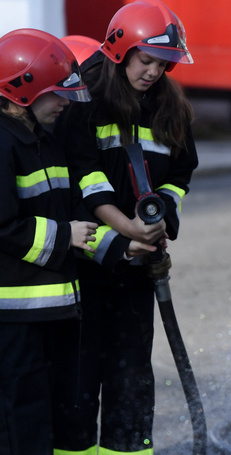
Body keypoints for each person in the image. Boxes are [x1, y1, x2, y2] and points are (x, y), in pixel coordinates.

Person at [52, 1, 198, 453]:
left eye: (163, 64)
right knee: (78, 379)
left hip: (138, 264)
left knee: (132, 375)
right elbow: (85, 179)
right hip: (86, 263)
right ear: (120, 50)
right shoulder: (86, 100)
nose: (154, 72)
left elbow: (179, 174)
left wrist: (161, 220)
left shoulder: (168, 107)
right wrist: (128, 235)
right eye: (147, 60)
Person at [0, 28, 95, 455]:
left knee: (42, 416)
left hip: (42, 313)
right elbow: (4, 226)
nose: (64, 102)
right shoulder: (4, 145)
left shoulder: (40, 140)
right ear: (23, 91)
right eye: (57, 93)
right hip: (11, 317)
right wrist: (66, 237)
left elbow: (68, 207)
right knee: (19, 418)